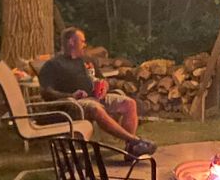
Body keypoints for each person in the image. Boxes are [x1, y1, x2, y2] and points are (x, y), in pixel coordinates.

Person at [39, 27, 157, 157]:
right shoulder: (53, 64)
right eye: (82, 41)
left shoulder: (87, 60)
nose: (85, 44)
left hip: (97, 97)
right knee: (95, 108)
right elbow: (46, 92)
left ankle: (131, 151)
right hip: (74, 104)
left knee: (129, 103)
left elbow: (102, 79)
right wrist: (70, 96)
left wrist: (103, 86)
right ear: (71, 42)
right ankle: (135, 141)